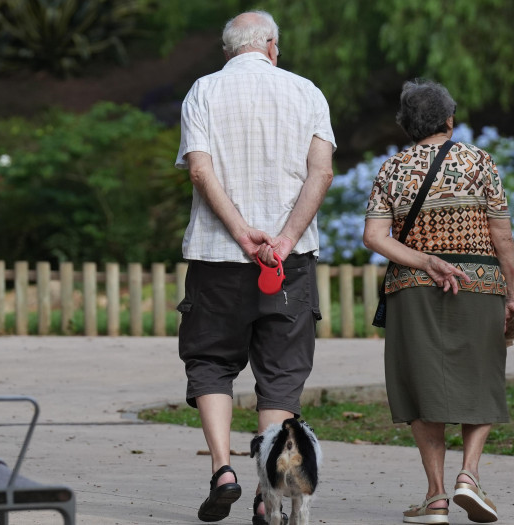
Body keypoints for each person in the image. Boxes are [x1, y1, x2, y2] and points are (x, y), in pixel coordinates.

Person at [174, 10, 336, 525]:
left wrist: (243, 234)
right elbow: (322, 172)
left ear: (229, 51)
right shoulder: (308, 92)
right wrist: (284, 239)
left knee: (210, 362)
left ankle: (224, 470)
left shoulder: (202, 91)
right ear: (272, 47)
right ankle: (270, 494)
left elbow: (199, 170)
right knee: (281, 375)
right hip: (288, 263)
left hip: (218, 258)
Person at [362, 79, 514, 524]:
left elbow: (375, 237)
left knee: (421, 385)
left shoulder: (392, 169)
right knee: (482, 376)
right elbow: (501, 235)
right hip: (478, 282)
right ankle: (468, 476)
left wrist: (423, 259)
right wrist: (510, 292)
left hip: (412, 288)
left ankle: (435, 497)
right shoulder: (480, 162)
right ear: (450, 120)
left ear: (408, 125)